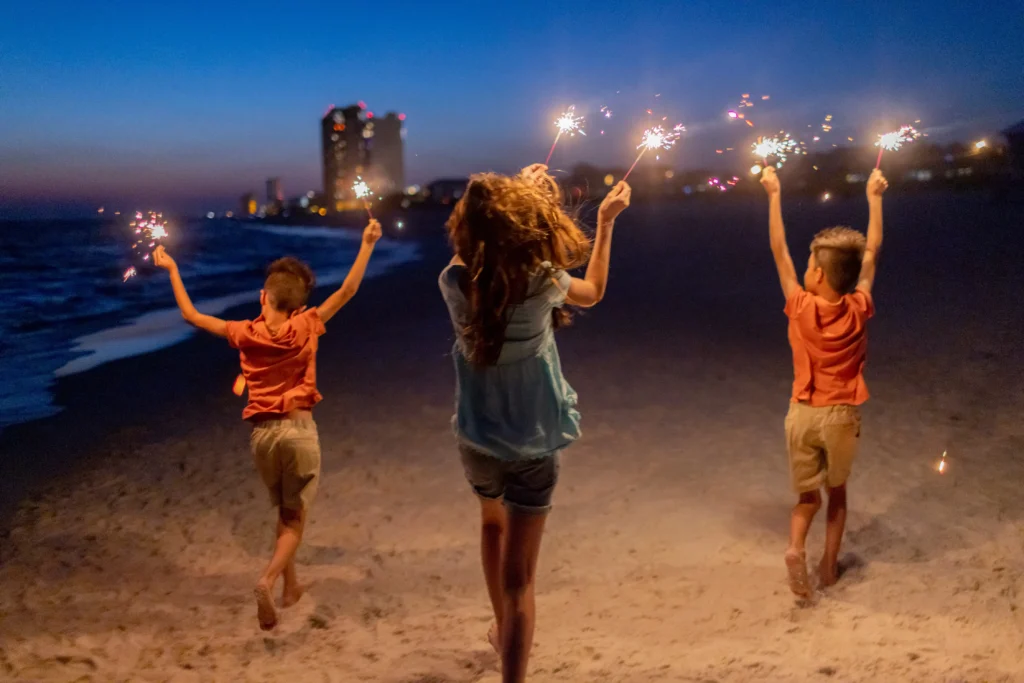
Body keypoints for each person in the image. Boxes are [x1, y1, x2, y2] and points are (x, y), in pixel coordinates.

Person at [439, 163, 630, 681]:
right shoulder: (544, 281)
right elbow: (592, 291)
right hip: (535, 442)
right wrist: (607, 221)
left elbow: (482, 242)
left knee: (489, 523)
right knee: (521, 580)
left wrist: (512, 199)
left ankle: (502, 630)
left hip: (478, 439)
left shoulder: (454, 281)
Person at [151, 219, 382, 629]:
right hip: (298, 431)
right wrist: (366, 244)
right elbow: (347, 290)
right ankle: (268, 579)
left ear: (263, 296)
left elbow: (191, 315)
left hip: (262, 438)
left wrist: (171, 269)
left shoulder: (244, 332)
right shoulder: (306, 324)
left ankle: (290, 589)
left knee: (283, 509)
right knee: (295, 518)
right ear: (296, 304)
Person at [759, 165, 888, 598]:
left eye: (811, 263)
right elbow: (871, 254)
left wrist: (774, 194)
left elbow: (778, 251)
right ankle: (828, 568)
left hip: (801, 414)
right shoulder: (858, 307)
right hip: (840, 415)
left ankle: (796, 548)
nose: (806, 266)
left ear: (815, 274)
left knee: (806, 498)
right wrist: (874, 198)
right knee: (838, 495)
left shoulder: (799, 305)